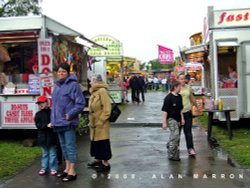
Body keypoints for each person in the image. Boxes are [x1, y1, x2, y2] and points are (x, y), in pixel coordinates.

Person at [51, 62, 85, 182]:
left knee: (70, 146)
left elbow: (80, 103)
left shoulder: (73, 85)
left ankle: (72, 171)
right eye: (59, 72)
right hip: (58, 122)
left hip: (68, 122)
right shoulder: (57, 86)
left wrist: (70, 114)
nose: (61, 73)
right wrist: (53, 120)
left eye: (63, 72)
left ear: (68, 72)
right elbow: (54, 105)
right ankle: (66, 169)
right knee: (63, 147)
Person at [87, 74, 112, 172]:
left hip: (101, 123)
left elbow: (107, 108)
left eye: (91, 81)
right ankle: (98, 160)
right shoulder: (94, 91)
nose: (90, 83)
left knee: (103, 143)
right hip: (94, 123)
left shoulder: (102, 91)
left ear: (96, 82)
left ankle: (106, 164)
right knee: (96, 142)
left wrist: (101, 120)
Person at [34, 96, 58, 176]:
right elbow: (38, 125)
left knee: (53, 153)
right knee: (45, 153)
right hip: (43, 137)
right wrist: (46, 125)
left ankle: (53, 168)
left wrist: (53, 125)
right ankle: (44, 168)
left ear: (47, 103)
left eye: (42, 102)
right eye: (39, 103)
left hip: (52, 136)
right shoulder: (38, 114)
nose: (40, 104)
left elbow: (56, 122)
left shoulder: (52, 112)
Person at [162, 81, 184, 161]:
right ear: (175, 87)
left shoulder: (179, 97)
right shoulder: (168, 97)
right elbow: (165, 111)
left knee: (176, 137)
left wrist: (182, 119)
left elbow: (181, 109)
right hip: (171, 119)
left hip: (178, 119)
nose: (180, 88)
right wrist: (164, 122)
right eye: (179, 87)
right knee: (175, 135)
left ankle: (170, 145)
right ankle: (172, 154)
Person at [177, 73, 198, 156]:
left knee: (188, 131)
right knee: (177, 132)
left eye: (184, 79)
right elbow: (170, 97)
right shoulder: (175, 88)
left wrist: (196, 106)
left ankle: (190, 148)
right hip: (178, 113)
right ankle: (176, 146)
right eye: (181, 79)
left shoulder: (188, 87)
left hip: (188, 112)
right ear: (177, 79)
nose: (183, 80)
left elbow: (192, 97)